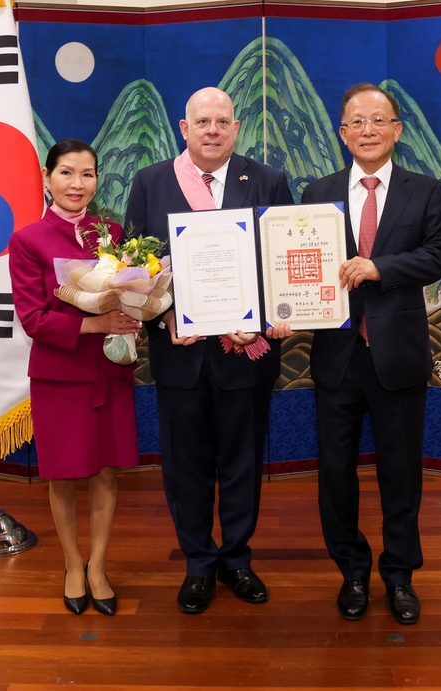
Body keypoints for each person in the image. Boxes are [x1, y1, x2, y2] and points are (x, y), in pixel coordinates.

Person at [268, 84, 441, 625]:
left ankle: (399, 575)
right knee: (335, 473)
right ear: (342, 133)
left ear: (398, 129)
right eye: (356, 122)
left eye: (379, 120)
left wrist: (380, 268)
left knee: (401, 473)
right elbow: (296, 262)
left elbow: (440, 254)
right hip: (336, 355)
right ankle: (351, 569)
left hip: (397, 355)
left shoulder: (426, 191)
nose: (368, 130)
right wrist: (284, 310)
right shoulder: (318, 191)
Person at [124, 87, 293, 614]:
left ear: (237, 128)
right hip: (181, 352)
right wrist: (166, 312)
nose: (213, 130)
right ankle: (198, 563)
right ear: (184, 127)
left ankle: (237, 560)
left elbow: (283, 259)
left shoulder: (267, 180)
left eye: (222, 121)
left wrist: (264, 318)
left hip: (245, 353)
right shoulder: (151, 182)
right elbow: (135, 268)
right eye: (203, 121)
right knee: (186, 465)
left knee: (243, 463)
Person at [8, 138, 141, 616]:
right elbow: (34, 320)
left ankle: (99, 565)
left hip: (108, 369)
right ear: (47, 179)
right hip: (60, 374)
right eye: (66, 173)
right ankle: (71, 564)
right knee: (63, 474)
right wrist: (96, 323)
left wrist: (136, 309)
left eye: (87, 174)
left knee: (106, 470)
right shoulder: (28, 240)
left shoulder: (112, 233)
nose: (77, 184)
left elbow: (129, 292)